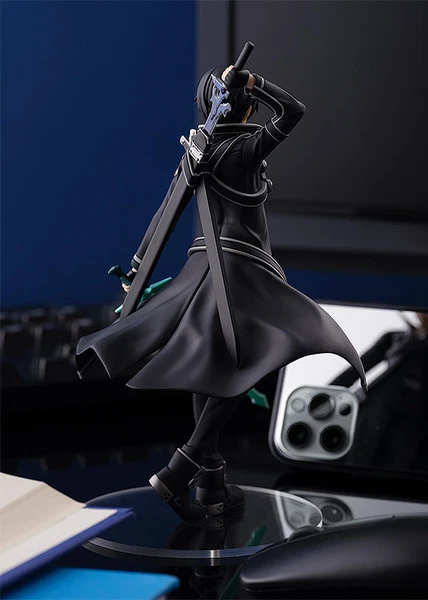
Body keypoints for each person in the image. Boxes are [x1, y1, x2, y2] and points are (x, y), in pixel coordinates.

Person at [76, 64, 366, 524]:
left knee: (207, 364)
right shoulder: (246, 147)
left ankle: (211, 483)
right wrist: (256, 83)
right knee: (245, 362)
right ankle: (180, 469)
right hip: (243, 270)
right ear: (245, 108)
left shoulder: (198, 150)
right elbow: (294, 111)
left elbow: (165, 213)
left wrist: (136, 267)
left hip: (201, 268)